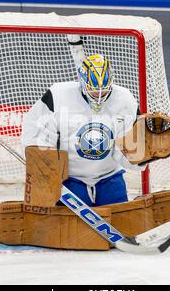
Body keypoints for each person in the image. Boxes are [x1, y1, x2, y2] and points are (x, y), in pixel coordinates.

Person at [21, 54, 145, 207]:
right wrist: (44, 167)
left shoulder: (125, 99)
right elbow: (36, 128)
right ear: (82, 82)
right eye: (93, 91)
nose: (99, 97)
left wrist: (141, 157)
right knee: (69, 227)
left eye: (104, 91)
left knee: (119, 221)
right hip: (71, 179)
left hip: (110, 175)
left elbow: (130, 149)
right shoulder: (58, 95)